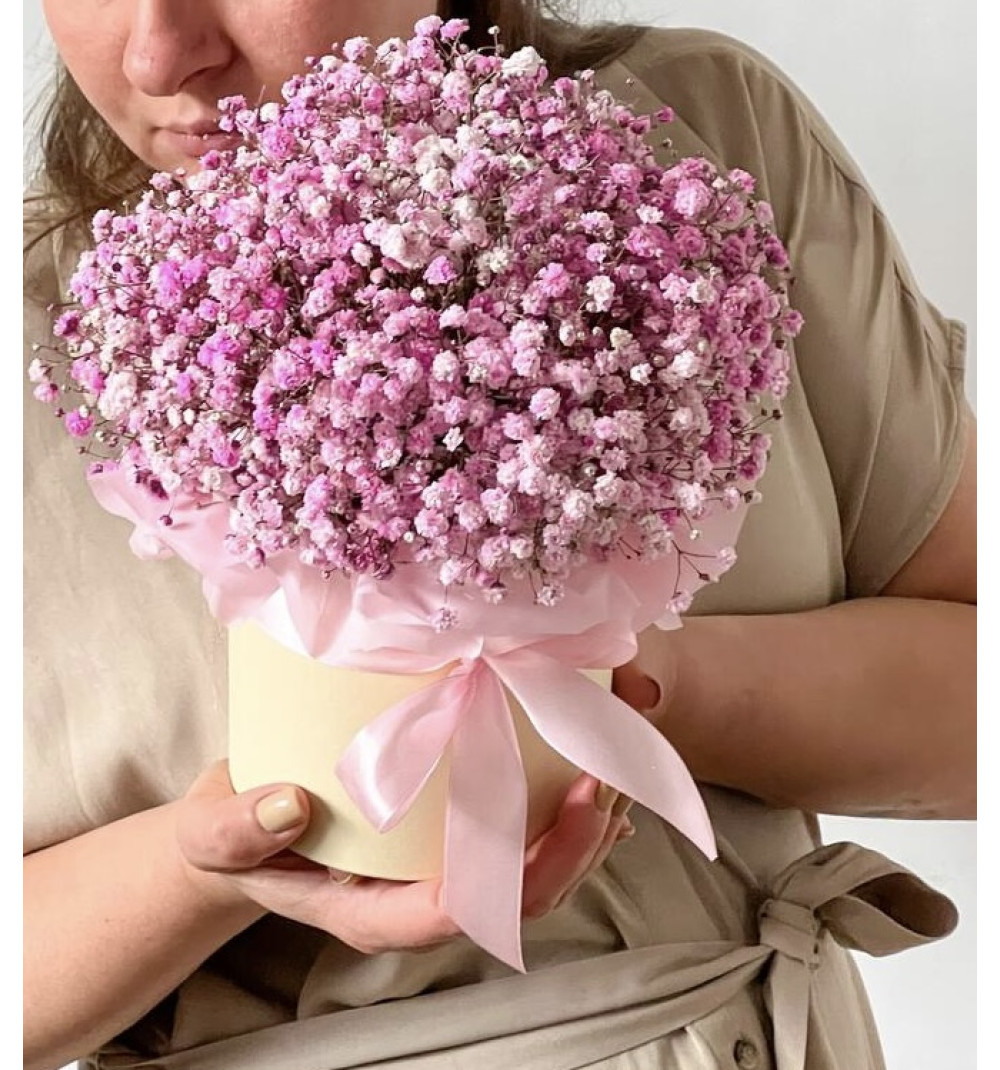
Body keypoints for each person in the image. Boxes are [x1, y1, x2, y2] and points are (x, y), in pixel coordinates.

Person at [23, 2, 975, 1069]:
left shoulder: (700, 145)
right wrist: (204, 870)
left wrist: (621, 688)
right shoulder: (38, 328)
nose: (162, 52)